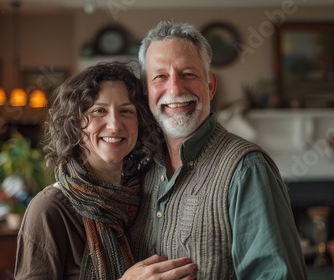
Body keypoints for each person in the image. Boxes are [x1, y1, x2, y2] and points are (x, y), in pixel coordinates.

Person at [127, 21, 308, 279]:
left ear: (210, 86)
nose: (175, 89)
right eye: (160, 77)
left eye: (188, 74)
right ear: (146, 92)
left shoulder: (247, 169)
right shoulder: (139, 167)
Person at [14, 61, 198, 280]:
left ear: (140, 123)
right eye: (99, 110)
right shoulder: (49, 209)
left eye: (126, 111)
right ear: (75, 124)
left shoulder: (146, 196)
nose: (114, 124)